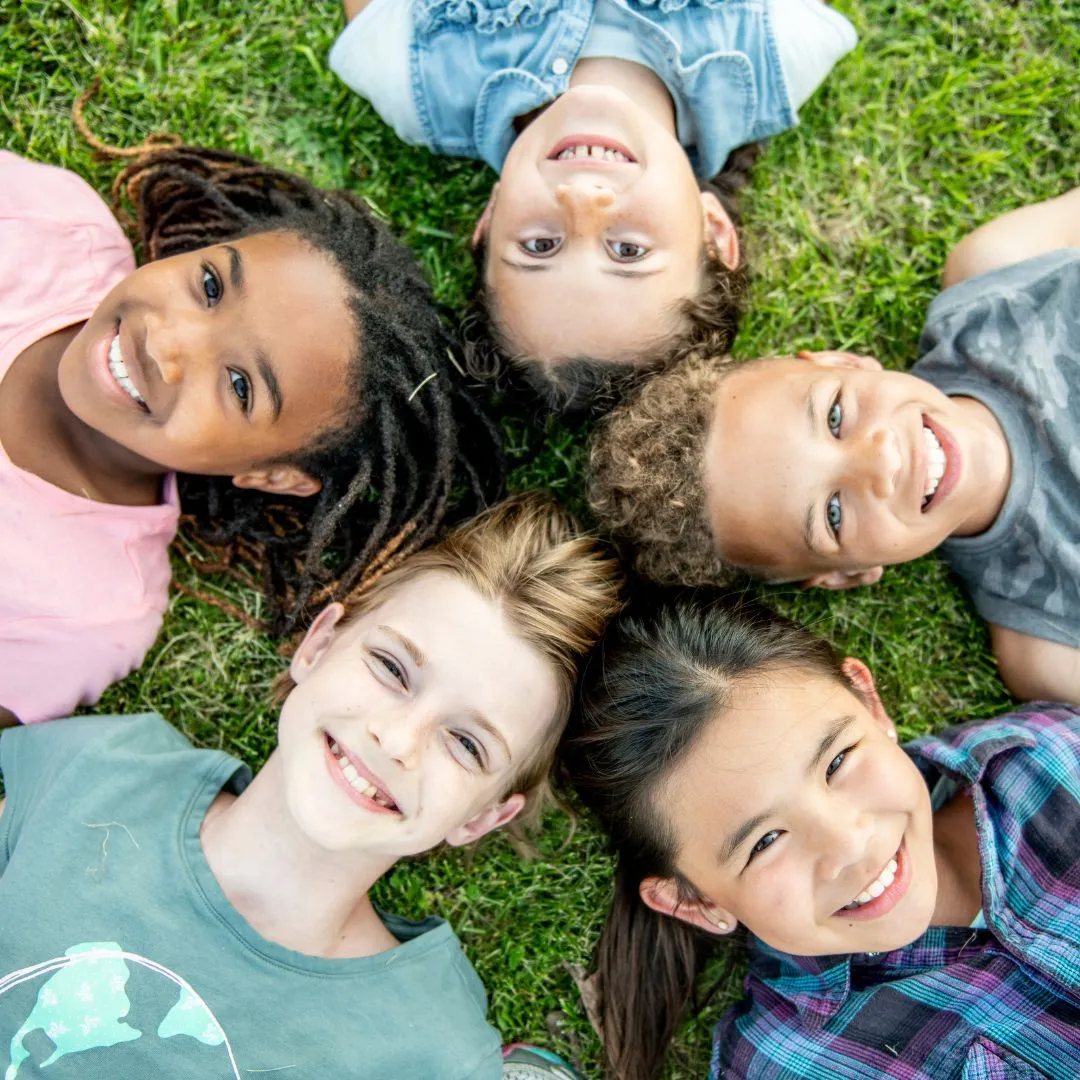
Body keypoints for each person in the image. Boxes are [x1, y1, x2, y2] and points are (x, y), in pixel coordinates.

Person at [0, 494, 623, 1078]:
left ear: (481, 818)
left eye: (465, 744)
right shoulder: (104, 771)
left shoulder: (428, 1053)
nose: (397, 740)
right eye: (391, 667)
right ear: (318, 645)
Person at [0, 139, 500, 726]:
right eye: (210, 287)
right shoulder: (47, 225)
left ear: (272, 475)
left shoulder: (86, 610)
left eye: (240, 385)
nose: (166, 342)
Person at [561, 589, 1080, 1080]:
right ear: (695, 902)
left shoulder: (1053, 756)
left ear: (870, 705)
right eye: (765, 842)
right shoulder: (789, 1066)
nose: (848, 846)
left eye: (837, 762)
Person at [588, 185, 1080, 702]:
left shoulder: (1001, 277)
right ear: (847, 575)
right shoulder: (1046, 648)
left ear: (842, 362)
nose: (880, 460)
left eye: (836, 415)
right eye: (834, 514)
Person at [328, 0, 857, 410]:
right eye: (627, 250)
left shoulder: (416, 82)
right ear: (712, 232)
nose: (582, 201)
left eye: (540, 245)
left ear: (490, 219)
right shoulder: (782, 51)